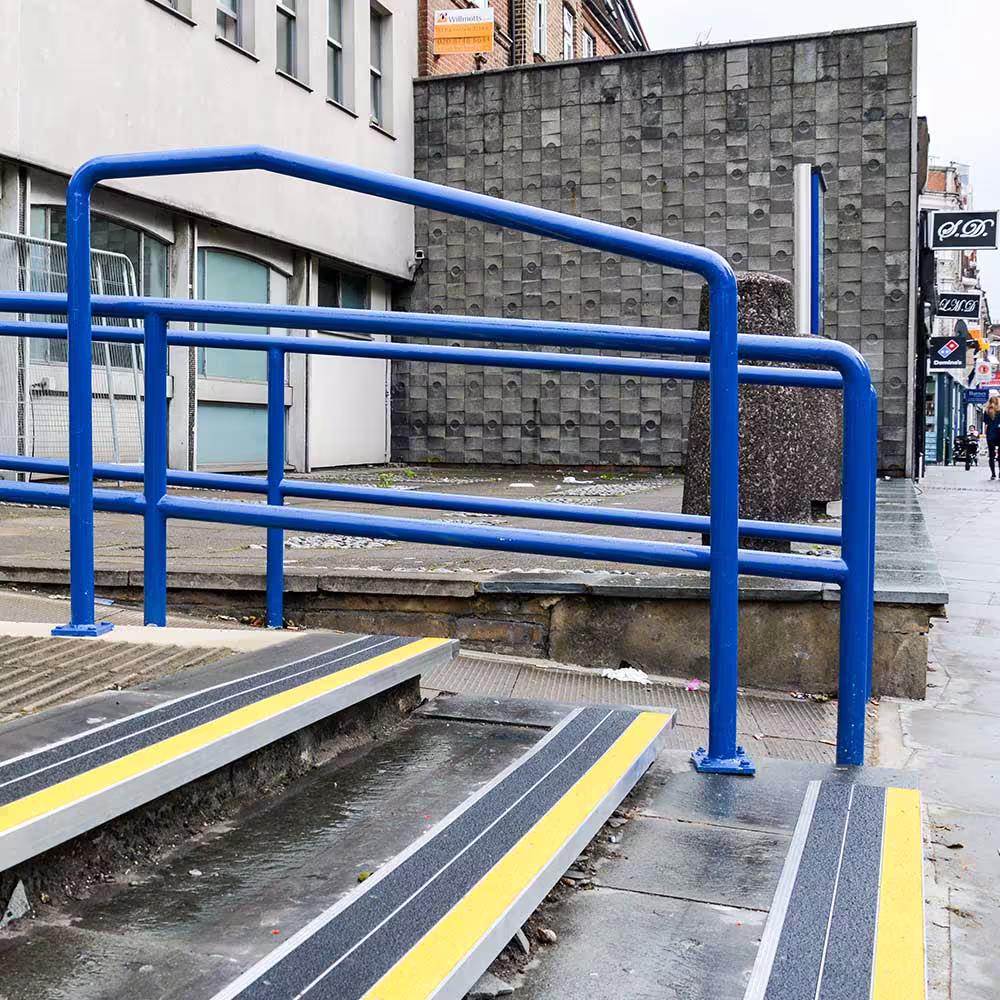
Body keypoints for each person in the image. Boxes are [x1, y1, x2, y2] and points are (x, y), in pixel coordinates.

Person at [986, 396, 1000, 479]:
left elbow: (986, 423)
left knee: (991, 455)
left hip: (990, 435)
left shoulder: (987, 412)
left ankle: (993, 474)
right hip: (999, 434)